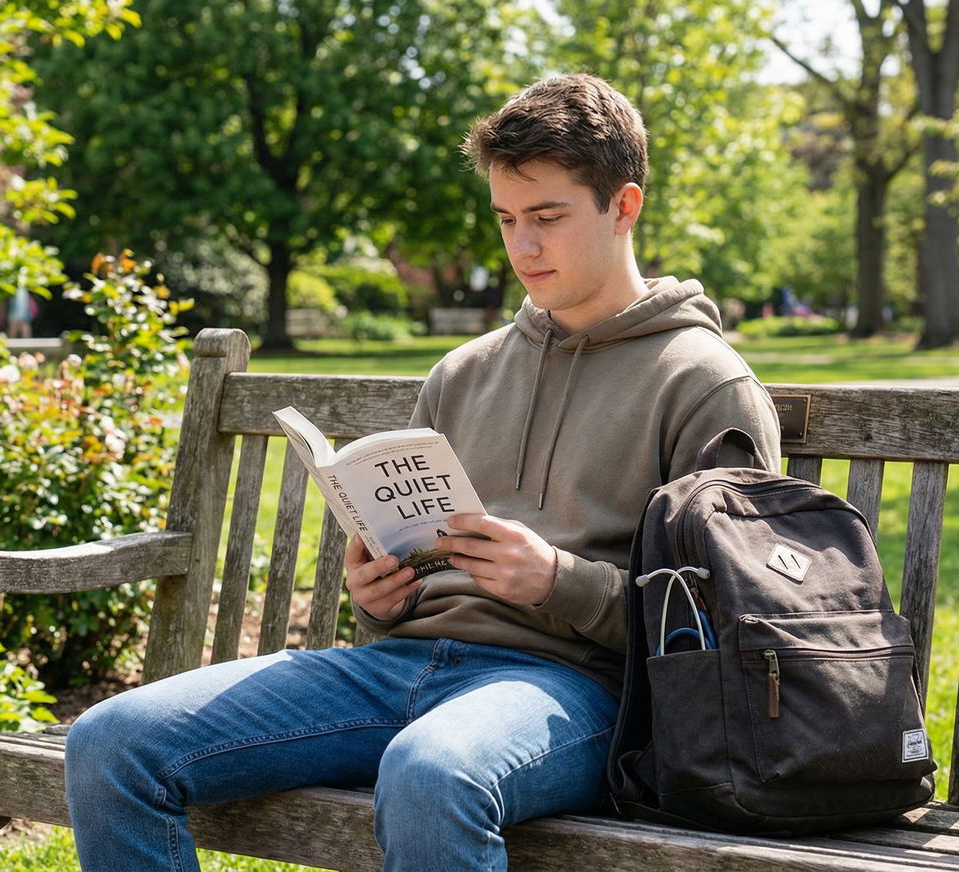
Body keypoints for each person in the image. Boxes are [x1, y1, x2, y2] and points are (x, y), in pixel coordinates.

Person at [62, 73, 782, 872]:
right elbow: (410, 560)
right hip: (400, 667)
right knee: (111, 743)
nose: (522, 247)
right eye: (506, 219)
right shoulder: (463, 374)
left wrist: (558, 581)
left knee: (431, 774)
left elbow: (730, 626)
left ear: (624, 206)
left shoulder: (704, 383)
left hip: (579, 691)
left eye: (547, 218)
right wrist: (380, 597)